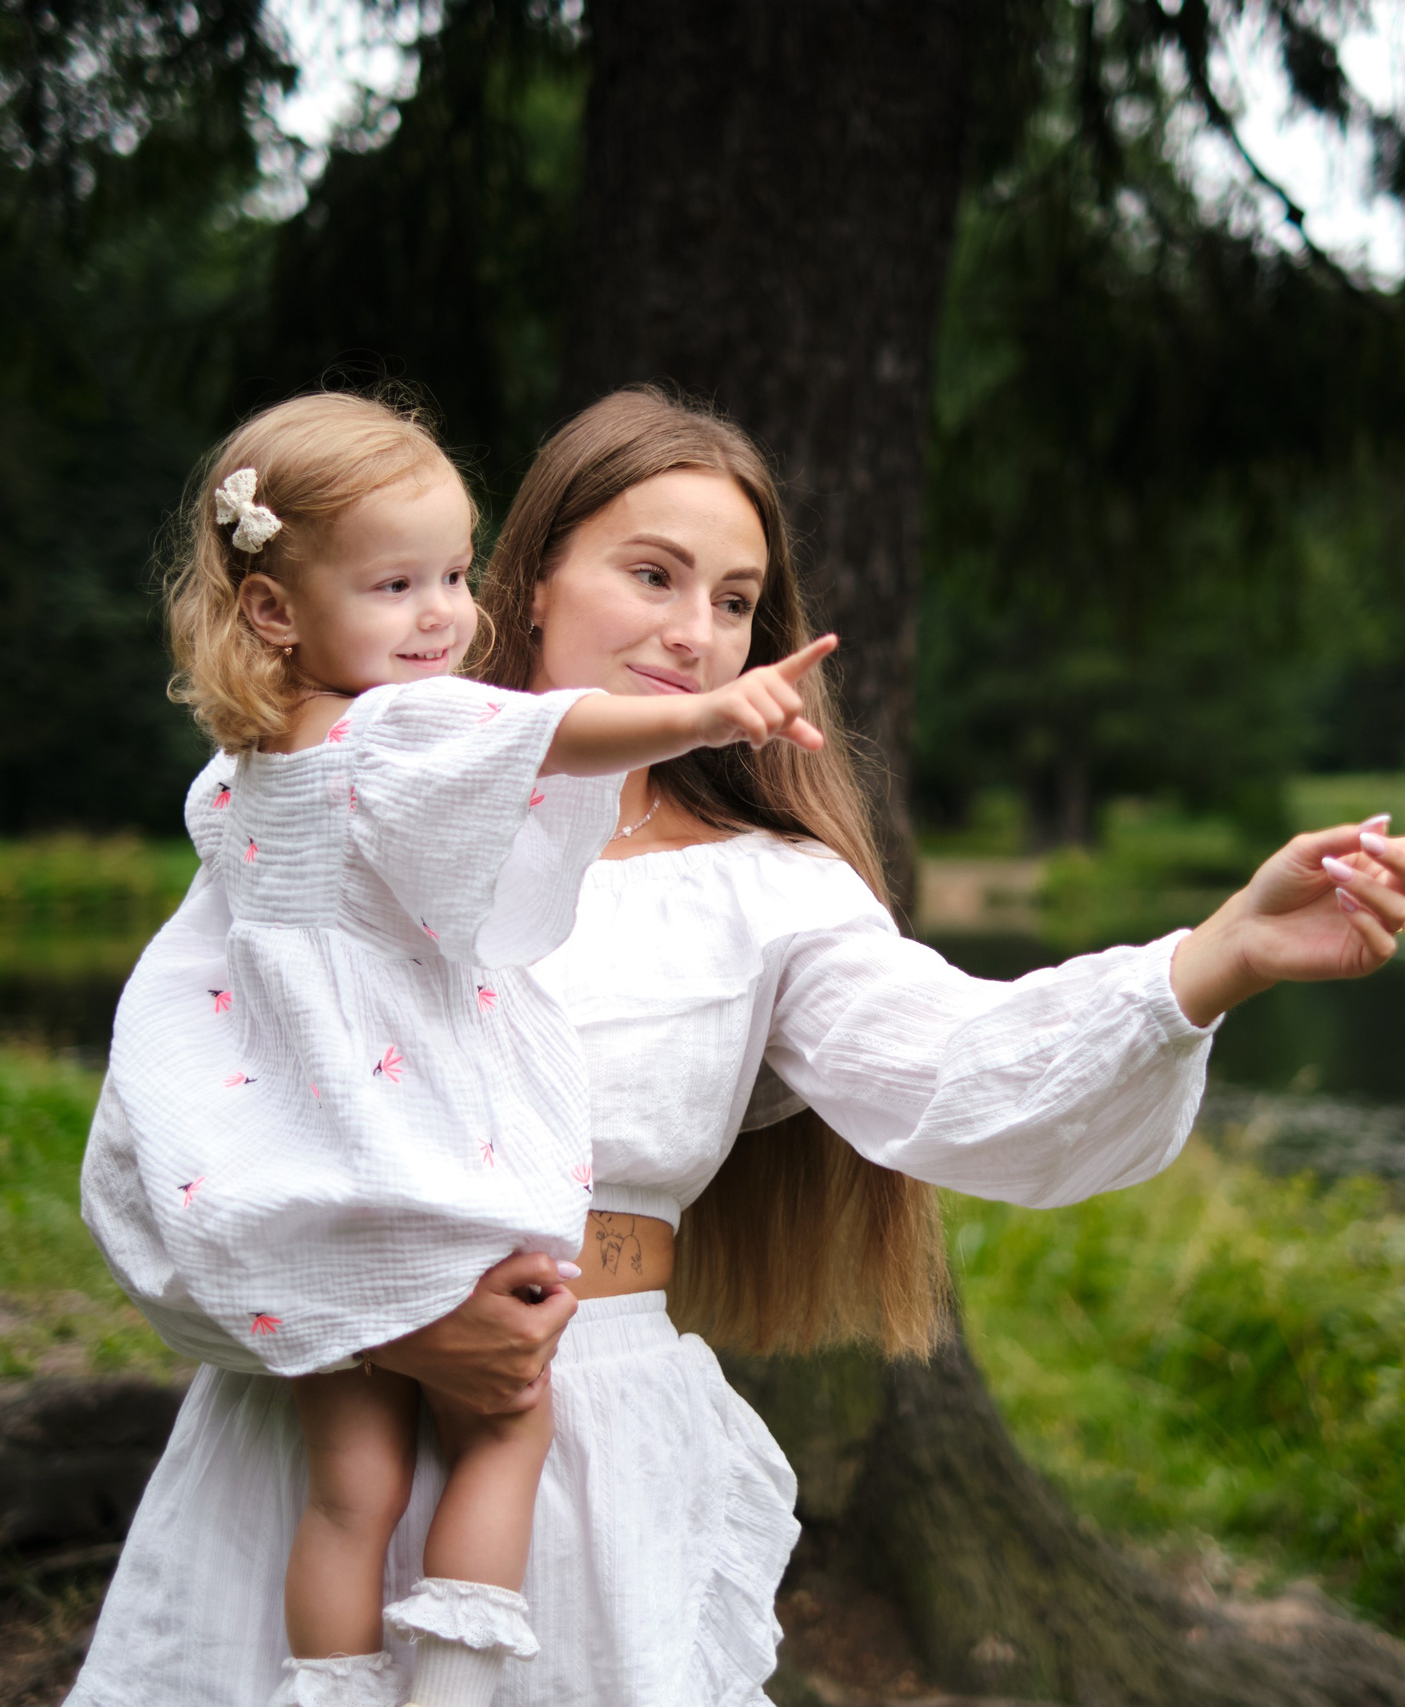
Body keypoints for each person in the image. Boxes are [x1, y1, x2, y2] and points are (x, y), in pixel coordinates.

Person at [66, 387, 1405, 1707]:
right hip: (305, 1429)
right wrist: (371, 1317)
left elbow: (963, 1070)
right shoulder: (327, 811)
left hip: (586, 1445)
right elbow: (168, 1145)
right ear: (531, 574)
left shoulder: (765, 892)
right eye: (653, 573)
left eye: (739, 601)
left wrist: (1218, 958)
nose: (697, 632)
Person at [80, 391, 841, 1707]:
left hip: (324, 1227)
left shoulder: (233, 785)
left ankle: (326, 1687)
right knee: (507, 1429)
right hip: (438, 1204)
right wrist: (708, 716)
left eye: (447, 575)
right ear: (277, 609)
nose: (441, 614)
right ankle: (451, 1682)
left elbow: (185, 1026)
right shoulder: (409, 731)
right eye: (396, 584)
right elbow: (559, 732)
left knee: (350, 1491)